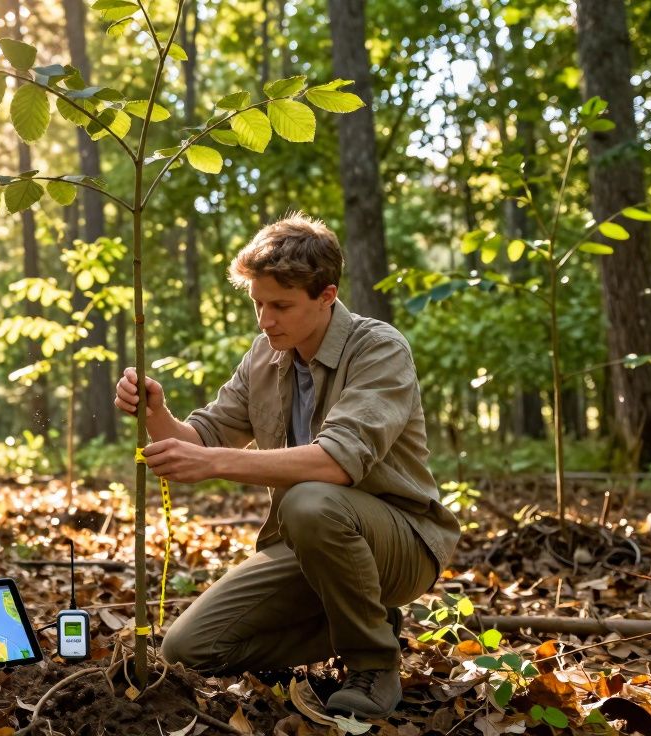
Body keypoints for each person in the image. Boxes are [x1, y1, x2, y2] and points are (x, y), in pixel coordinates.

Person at [113, 214, 459, 719]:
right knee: (186, 651)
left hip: (402, 543)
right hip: (308, 543)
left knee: (311, 499)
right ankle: (363, 620)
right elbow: (203, 436)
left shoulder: (378, 348)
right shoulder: (264, 356)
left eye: (280, 306)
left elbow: (337, 463)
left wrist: (212, 463)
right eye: (257, 304)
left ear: (326, 295)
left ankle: (374, 664)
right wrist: (156, 413)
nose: (264, 320)